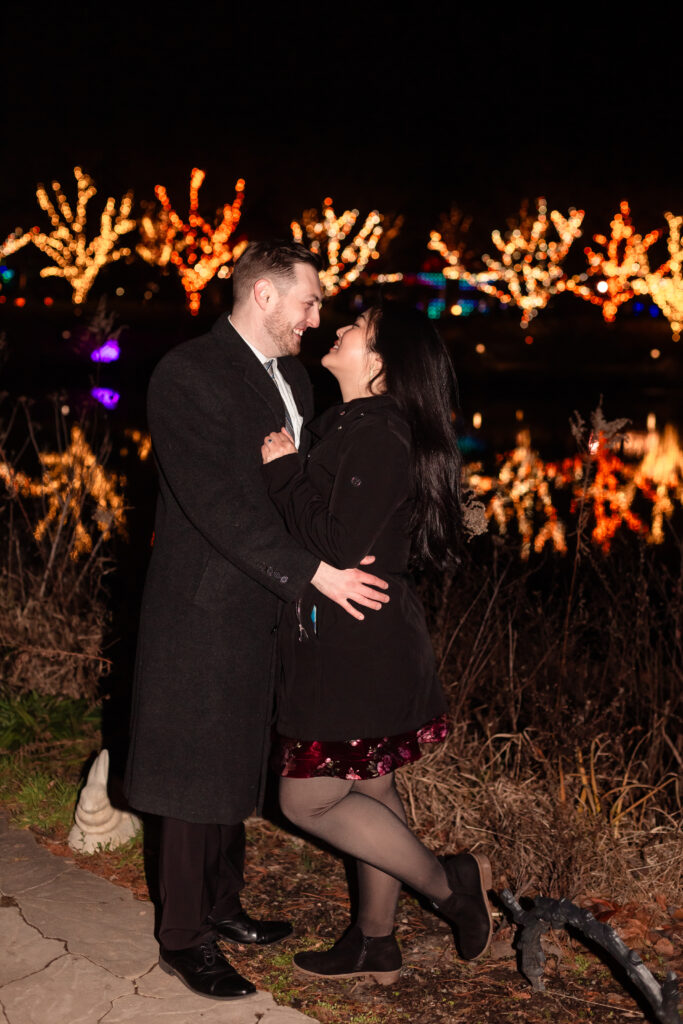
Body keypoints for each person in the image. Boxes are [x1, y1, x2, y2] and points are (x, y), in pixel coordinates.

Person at [124, 241, 390, 1000]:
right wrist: (311, 572)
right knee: (191, 775)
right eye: (308, 302)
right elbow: (216, 505)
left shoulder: (299, 378)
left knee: (237, 761)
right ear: (264, 298)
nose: (316, 317)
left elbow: (296, 488)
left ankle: (223, 905)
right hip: (204, 606)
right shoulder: (188, 373)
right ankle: (184, 938)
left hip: (272, 607)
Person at [260, 303, 492, 984]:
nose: (338, 328)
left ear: (382, 361)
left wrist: (282, 472)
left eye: (355, 326)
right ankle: (373, 941)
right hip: (357, 635)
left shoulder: (379, 433)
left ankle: (448, 886)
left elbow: (336, 544)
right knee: (372, 784)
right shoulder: (356, 424)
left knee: (306, 799)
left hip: (356, 646)